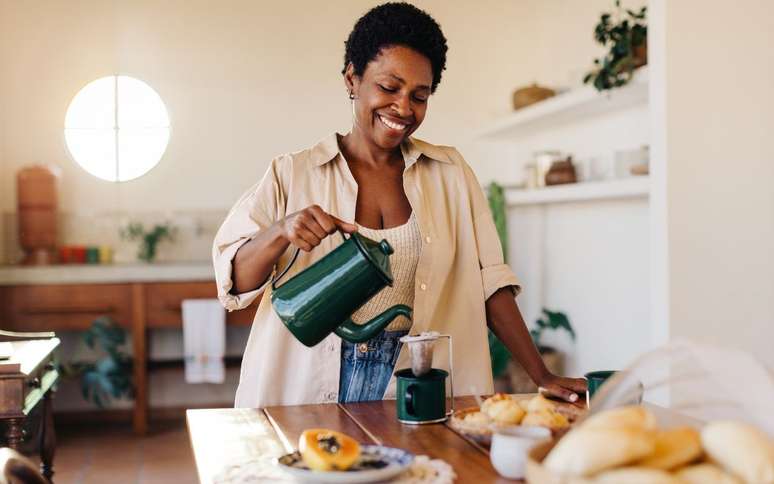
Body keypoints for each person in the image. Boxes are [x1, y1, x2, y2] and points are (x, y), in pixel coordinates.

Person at [213, 2, 587, 409]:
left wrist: (542, 374)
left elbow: (490, 283)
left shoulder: (450, 173)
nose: (404, 108)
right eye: (389, 88)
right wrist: (281, 231)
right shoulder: (292, 173)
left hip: (416, 378)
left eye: (419, 96)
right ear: (352, 79)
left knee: (421, 473)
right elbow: (235, 281)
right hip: (308, 380)